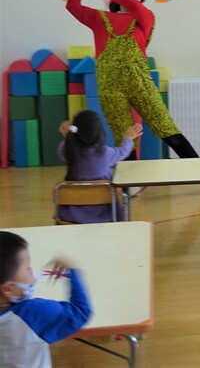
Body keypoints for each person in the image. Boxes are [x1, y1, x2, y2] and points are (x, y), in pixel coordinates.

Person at [65, 0, 200, 193]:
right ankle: (132, 182)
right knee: (124, 135)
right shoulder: (100, 19)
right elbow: (72, 6)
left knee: (167, 128)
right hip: (110, 87)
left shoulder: (145, 18)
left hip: (141, 84)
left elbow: (134, 5)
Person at [0, 231, 92, 367]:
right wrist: (73, 270)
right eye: (28, 268)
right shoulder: (33, 314)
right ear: (8, 289)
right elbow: (80, 311)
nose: (33, 273)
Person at [57, 110, 142, 223]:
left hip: (73, 217)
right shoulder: (105, 154)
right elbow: (123, 152)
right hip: (104, 215)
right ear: (100, 132)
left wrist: (68, 135)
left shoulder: (68, 152)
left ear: (75, 132)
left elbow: (67, 146)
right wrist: (129, 138)